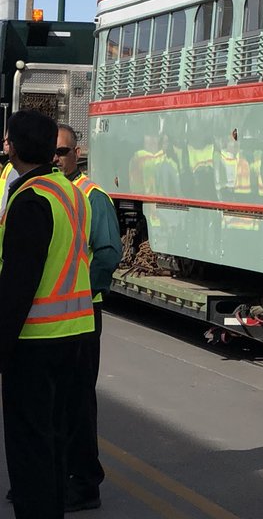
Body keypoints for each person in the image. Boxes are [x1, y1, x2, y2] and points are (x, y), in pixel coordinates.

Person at [0, 109, 94, 519]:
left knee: (28, 444)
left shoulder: (28, 199)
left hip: (35, 339)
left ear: (15, 148)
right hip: (75, 332)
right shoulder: (70, 191)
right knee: (54, 438)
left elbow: (18, 284)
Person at [55, 126, 122, 513]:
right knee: (55, 401)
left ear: (77, 153)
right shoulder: (47, 191)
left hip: (81, 313)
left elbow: (108, 255)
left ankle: (84, 482)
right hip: (54, 314)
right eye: (51, 151)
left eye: (62, 152)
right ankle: (56, 476)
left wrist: (77, 292)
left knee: (77, 401)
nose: (56, 158)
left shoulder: (92, 197)